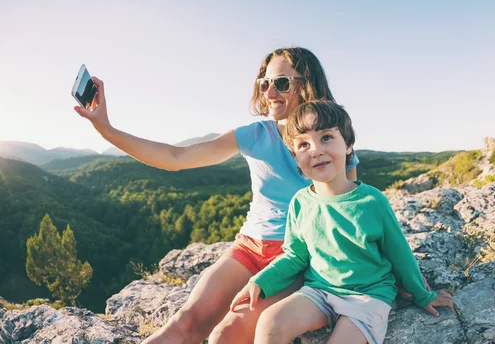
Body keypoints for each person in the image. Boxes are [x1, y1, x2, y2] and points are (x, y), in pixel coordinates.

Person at [74, 47, 358, 344]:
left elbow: (349, 209)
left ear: (309, 83)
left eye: (282, 83)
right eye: (265, 84)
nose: (270, 93)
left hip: (297, 256)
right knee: (186, 322)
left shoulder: (333, 141)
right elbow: (175, 156)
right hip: (249, 247)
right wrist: (106, 129)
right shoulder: (256, 135)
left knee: (226, 334)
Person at [230, 101, 454, 344]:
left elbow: (400, 254)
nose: (315, 150)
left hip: (368, 295)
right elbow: (295, 256)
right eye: (304, 144)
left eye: (326, 137)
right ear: (295, 156)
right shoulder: (300, 202)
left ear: (348, 146)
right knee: (270, 322)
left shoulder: (371, 201)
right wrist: (260, 282)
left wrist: (423, 295)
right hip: (319, 290)